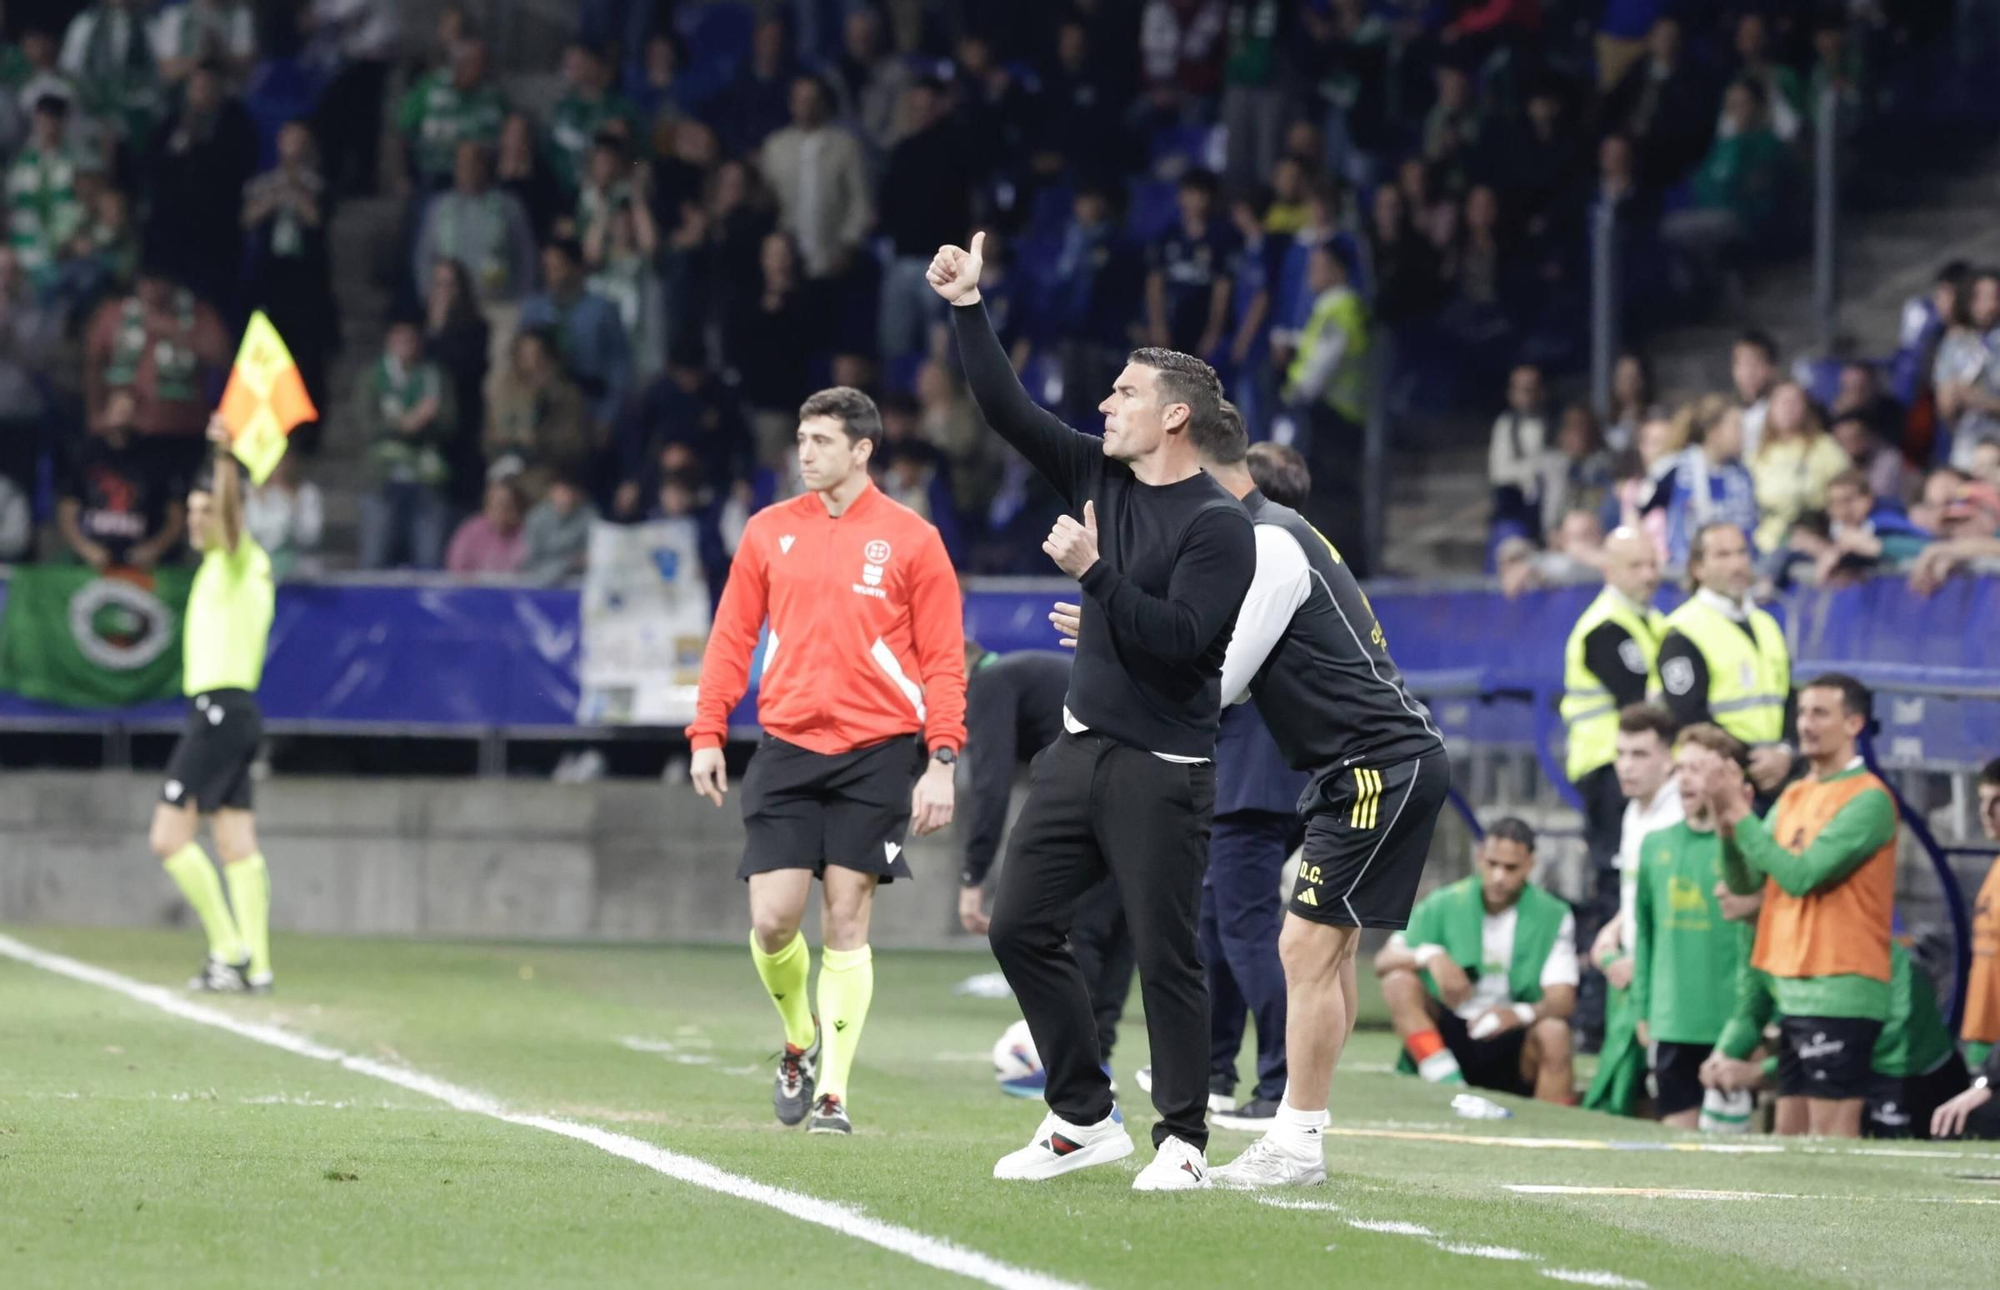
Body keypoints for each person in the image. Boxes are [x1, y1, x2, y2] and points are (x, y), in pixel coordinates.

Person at [933, 231, 1255, 1189]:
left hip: (1164, 767)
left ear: (1175, 419)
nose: (1106, 405)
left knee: (1166, 959)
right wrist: (968, 306)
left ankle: (1187, 1142)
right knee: (1016, 925)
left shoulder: (1218, 524)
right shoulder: (1098, 474)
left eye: (1124, 395)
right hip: (1080, 751)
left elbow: (1182, 640)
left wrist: (1095, 573)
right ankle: (1081, 1113)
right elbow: (1005, 408)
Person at [686, 387, 965, 1139]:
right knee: (774, 922)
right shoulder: (768, 531)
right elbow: (731, 638)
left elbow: (944, 660)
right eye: (800, 439)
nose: (803, 453)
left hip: (876, 755)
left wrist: (941, 760)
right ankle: (799, 1040)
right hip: (786, 749)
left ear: (862, 449)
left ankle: (835, 1094)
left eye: (819, 441)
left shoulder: (913, 540)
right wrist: (706, 731)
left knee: (848, 916)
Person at [1697, 674, 1897, 1138]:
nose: (1805, 724)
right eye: (1802, 713)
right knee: (1788, 1139)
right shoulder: (1793, 794)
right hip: (1793, 986)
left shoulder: (1869, 799)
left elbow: (1801, 876)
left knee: (1830, 1136)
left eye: (1820, 713)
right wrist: (1728, 828)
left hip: (1841, 983)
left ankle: (1850, 1215)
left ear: (1854, 723)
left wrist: (1742, 815)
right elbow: (1746, 878)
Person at [150, 414, 276, 993]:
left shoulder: (239, 558)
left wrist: (225, 455)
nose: (197, 521)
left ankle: (228, 950)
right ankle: (258, 964)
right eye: (193, 512)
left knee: (168, 837)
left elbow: (230, 519)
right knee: (234, 842)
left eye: (208, 511)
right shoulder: (216, 569)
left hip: (223, 710)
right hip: (229, 713)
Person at [1376, 820, 1579, 1103]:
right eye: (1492, 863)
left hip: (1514, 1039)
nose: (1498, 876)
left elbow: (1563, 999)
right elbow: (1384, 961)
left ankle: (1550, 1135)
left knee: (1555, 1032)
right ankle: (1448, 1083)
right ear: (1480, 857)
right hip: (1452, 1030)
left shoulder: (1553, 914)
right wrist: (1429, 955)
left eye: (1511, 868)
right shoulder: (1444, 902)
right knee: (1398, 982)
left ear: (1530, 864)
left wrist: (1518, 1014)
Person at [1623, 723, 1750, 1128]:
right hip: (1672, 1019)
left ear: (1729, 777)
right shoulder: (1655, 844)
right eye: (1681, 769)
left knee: (1734, 1152)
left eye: (1700, 768)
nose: (1687, 779)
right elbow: (1644, 932)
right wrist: (1642, 1006)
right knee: (1677, 1147)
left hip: (1733, 1020)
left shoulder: (1750, 842)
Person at [1582, 705, 1685, 1116]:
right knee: (1630, 1086)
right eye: (1621, 753)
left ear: (1669, 757)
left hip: (1663, 973)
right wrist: (1613, 930)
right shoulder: (1634, 810)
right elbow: (1639, 895)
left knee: (1665, 1086)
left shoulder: (1679, 814)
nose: (1626, 766)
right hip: (1632, 965)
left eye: (1640, 755)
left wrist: (1640, 962)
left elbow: (1676, 905)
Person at [1658, 522, 1795, 801]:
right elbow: (1690, 716)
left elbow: (1788, 696)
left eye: (1742, 553)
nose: (1737, 564)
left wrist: (1784, 752)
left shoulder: (1766, 623)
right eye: (1722, 555)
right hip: (1716, 781)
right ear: (1697, 568)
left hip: (1776, 778)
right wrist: (1753, 761)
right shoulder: (1682, 631)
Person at [1561, 528, 1666, 871]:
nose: (1649, 575)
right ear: (1610, 571)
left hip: (1639, 762)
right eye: (1636, 566)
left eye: (1653, 564)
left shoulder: (1653, 621)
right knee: (1616, 871)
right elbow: (1637, 700)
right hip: (1609, 764)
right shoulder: (1604, 627)